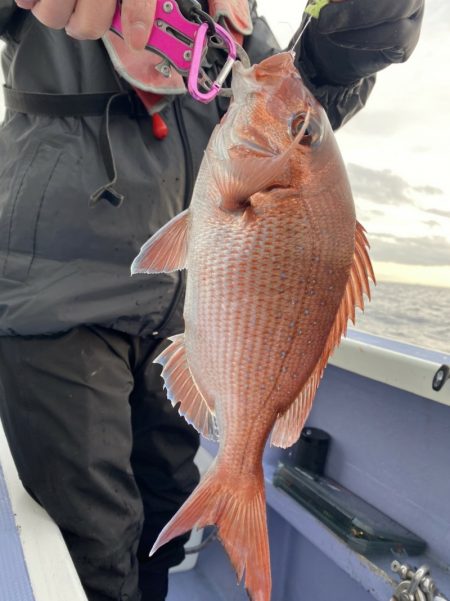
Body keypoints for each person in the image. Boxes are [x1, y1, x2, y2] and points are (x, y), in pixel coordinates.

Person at [0, 1, 424, 600]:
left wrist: (346, 45)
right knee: (91, 535)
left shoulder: (237, 13)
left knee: (162, 508)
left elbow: (295, 89)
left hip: (191, 320)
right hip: (58, 293)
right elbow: (288, 122)